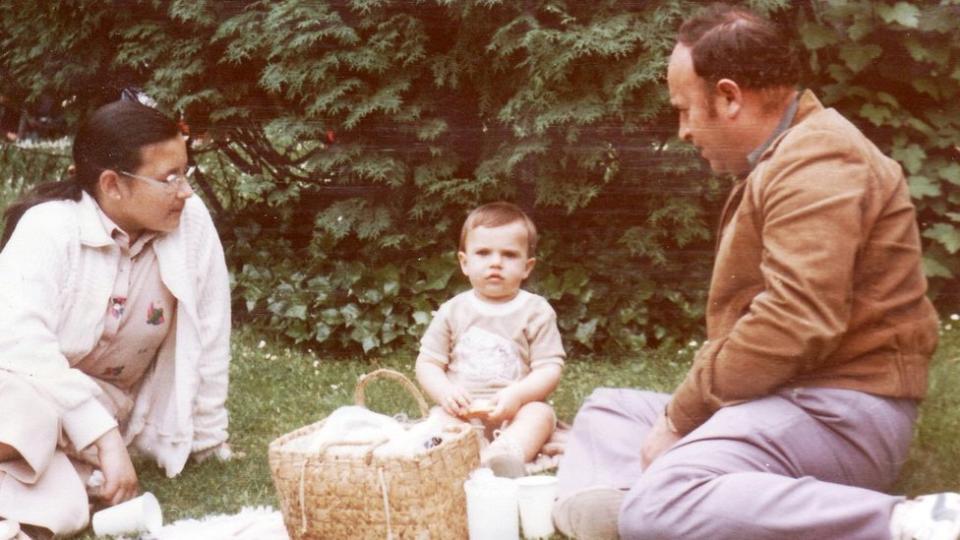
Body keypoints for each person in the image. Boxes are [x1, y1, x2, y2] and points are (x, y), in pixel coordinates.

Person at [552, 4, 955, 539]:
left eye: (684, 110)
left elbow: (794, 320)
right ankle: (667, 503)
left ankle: (910, 523)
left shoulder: (819, 161)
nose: (683, 131)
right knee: (609, 410)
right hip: (788, 398)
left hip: (841, 413)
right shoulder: (786, 154)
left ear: (729, 96)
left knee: (660, 502)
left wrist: (678, 420)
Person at [0, 100, 231, 537]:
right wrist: (103, 436)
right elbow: (18, 344)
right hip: (19, 388)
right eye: (169, 179)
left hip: (90, 415)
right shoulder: (50, 227)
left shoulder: (190, 223)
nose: (186, 191)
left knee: (66, 510)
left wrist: (208, 440)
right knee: (31, 417)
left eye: (187, 173)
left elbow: (211, 331)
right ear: (112, 184)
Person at [416, 202, 565, 478]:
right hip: (462, 411)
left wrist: (518, 395)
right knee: (438, 420)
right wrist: (445, 392)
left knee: (540, 415)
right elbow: (428, 363)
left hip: (514, 411)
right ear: (465, 262)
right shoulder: (454, 310)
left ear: (527, 267)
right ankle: (464, 453)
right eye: (483, 253)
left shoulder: (536, 310)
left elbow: (549, 368)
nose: (495, 263)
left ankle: (503, 456)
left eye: (509, 255)